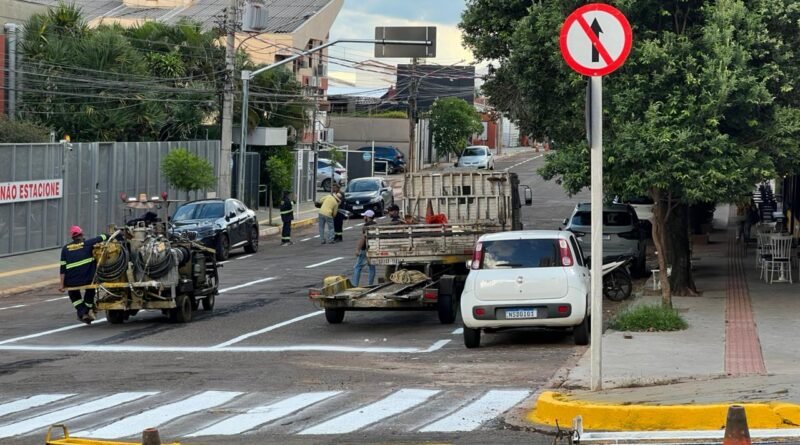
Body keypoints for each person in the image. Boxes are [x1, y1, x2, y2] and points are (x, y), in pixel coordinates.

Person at [59, 225, 108, 324]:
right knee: (91, 289)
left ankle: (82, 312)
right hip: (87, 279)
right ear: (81, 234)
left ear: (72, 237)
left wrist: (62, 285)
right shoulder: (88, 244)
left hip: (71, 281)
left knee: (73, 293)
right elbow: (103, 237)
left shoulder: (65, 249)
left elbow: (62, 269)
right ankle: (85, 311)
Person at [352, 210, 377, 286]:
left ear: (368, 217)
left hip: (365, 249)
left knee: (357, 267)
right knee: (372, 267)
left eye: (365, 216)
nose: (363, 217)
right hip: (373, 248)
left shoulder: (366, 226)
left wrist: (357, 249)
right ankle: (370, 284)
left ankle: (355, 285)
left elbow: (363, 238)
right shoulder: (376, 225)